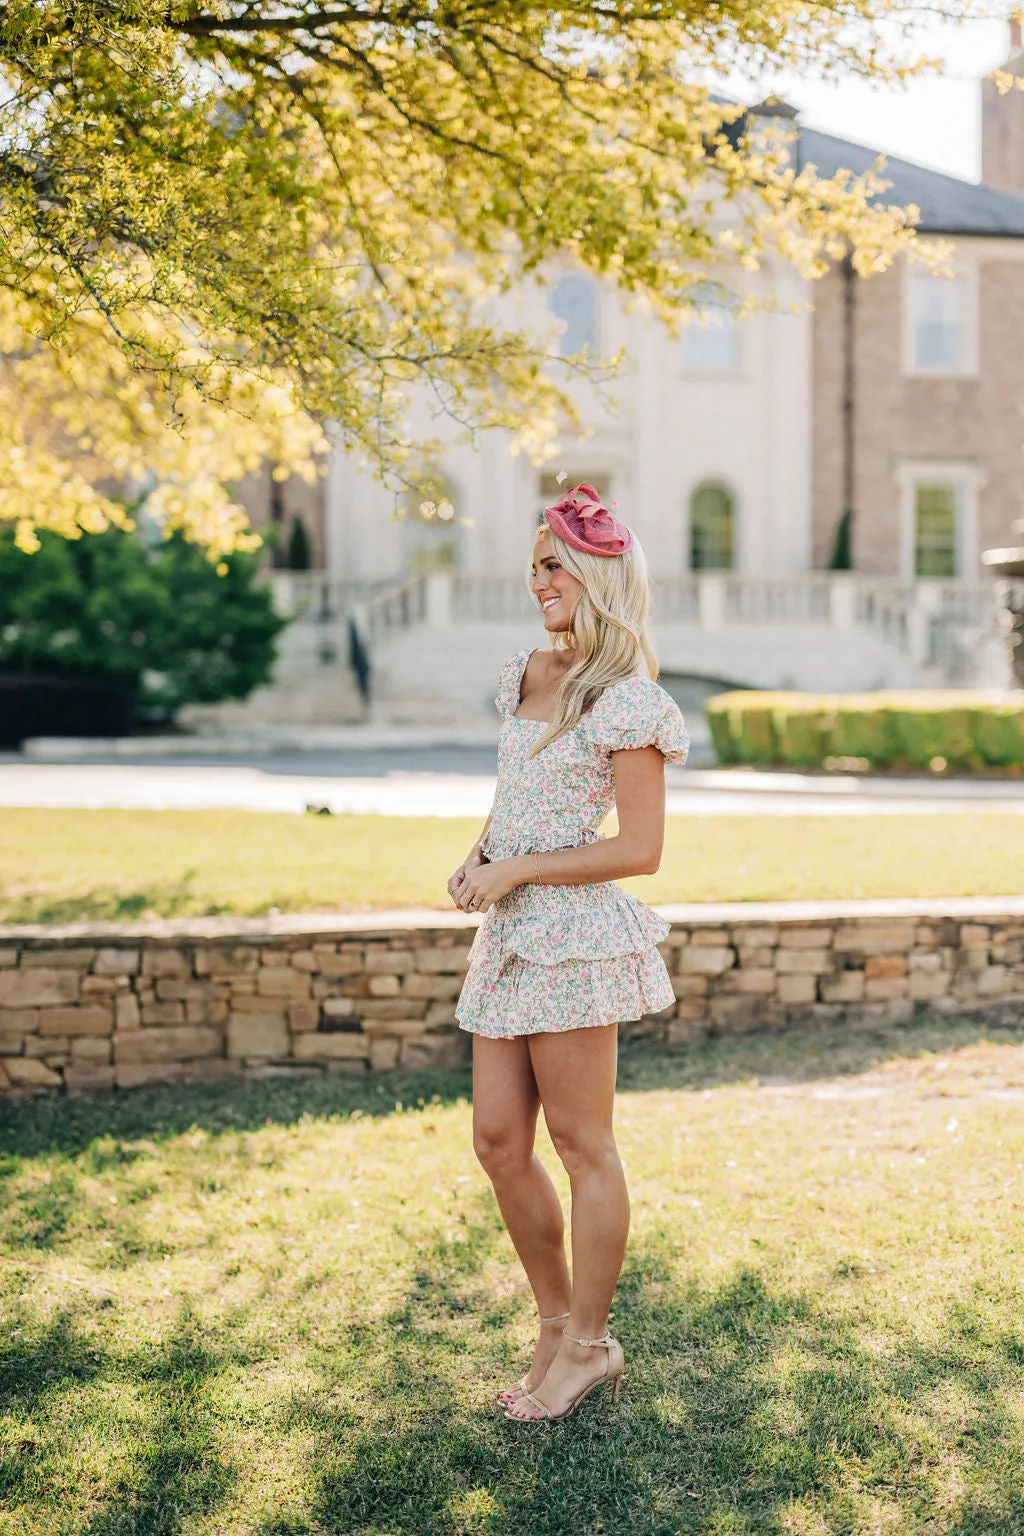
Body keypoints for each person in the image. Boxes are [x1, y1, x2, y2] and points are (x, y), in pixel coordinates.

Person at [447, 482, 689, 1423]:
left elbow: (640, 850)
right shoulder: (527, 677)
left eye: (554, 565)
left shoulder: (629, 700)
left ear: (596, 573)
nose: (538, 580)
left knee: (583, 1143)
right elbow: (516, 797)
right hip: (510, 937)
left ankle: (590, 1345)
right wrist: (480, 856)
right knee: (499, 1141)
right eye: (535, 566)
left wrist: (520, 873)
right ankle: (554, 1323)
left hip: (576, 939)